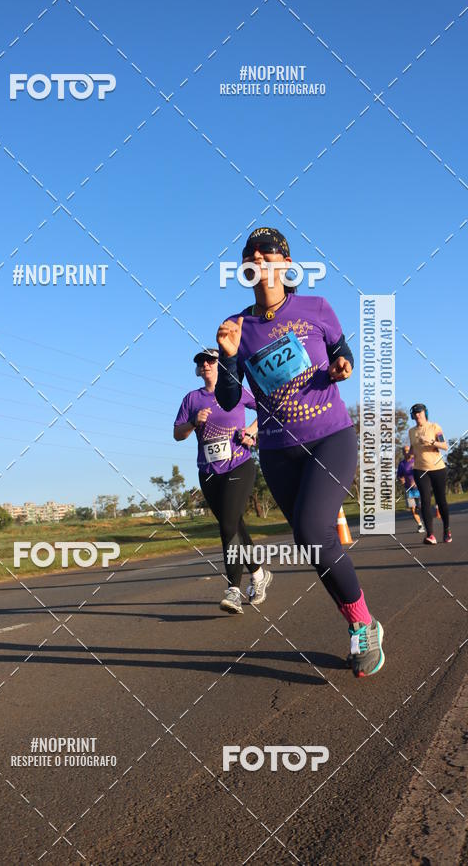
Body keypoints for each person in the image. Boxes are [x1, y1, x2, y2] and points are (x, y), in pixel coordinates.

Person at [215, 227, 384, 678]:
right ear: (246, 268)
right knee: (313, 545)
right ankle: (359, 621)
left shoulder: (316, 307)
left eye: (270, 254)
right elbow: (231, 400)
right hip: (277, 451)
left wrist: (343, 363)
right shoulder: (236, 326)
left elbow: (340, 348)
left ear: (287, 264)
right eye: (253, 255)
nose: (261, 260)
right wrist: (228, 356)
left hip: (330, 436)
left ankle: (363, 625)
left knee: (312, 531)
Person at [174, 347, 272, 613]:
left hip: (239, 465)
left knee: (228, 524)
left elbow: (267, 408)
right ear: (198, 369)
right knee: (235, 526)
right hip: (208, 473)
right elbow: (177, 434)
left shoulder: (236, 392)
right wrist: (193, 422)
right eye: (201, 361)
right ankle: (260, 575)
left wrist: (251, 431)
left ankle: (233, 590)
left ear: (221, 365)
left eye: (211, 360)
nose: (205, 364)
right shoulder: (191, 399)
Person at [408, 403, 451, 544]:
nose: (417, 415)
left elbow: (444, 446)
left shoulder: (434, 427)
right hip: (420, 469)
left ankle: (447, 531)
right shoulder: (411, 431)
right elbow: (413, 449)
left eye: (419, 412)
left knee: (441, 500)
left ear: (425, 413)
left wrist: (431, 441)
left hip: (438, 468)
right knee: (425, 501)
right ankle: (430, 535)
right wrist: (408, 455)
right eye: (415, 413)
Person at [396, 446, 425, 532]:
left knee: (420, 507)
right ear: (403, 453)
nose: (407, 452)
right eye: (405, 451)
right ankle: (420, 525)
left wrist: (417, 481)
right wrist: (401, 479)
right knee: (412, 509)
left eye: (409, 450)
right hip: (409, 489)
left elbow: (423, 473)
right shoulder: (402, 464)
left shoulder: (416, 461)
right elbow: (399, 475)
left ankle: (427, 522)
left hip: (418, 488)